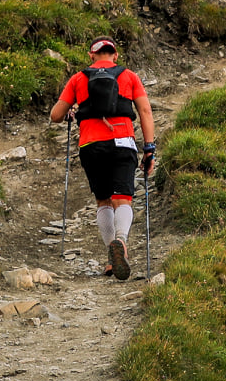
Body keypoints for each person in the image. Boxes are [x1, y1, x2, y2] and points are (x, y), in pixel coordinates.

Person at [49, 38, 155, 280]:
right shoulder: (129, 76)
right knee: (123, 199)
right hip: (123, 142)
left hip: (91, 144)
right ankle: (121, 241)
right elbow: (145, 112)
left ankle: (111, 256)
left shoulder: (78, 78)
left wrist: (71, 111)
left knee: (104, 201)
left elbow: (56, 115)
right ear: (115, 56)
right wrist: (149, 148)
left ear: (91, 55)